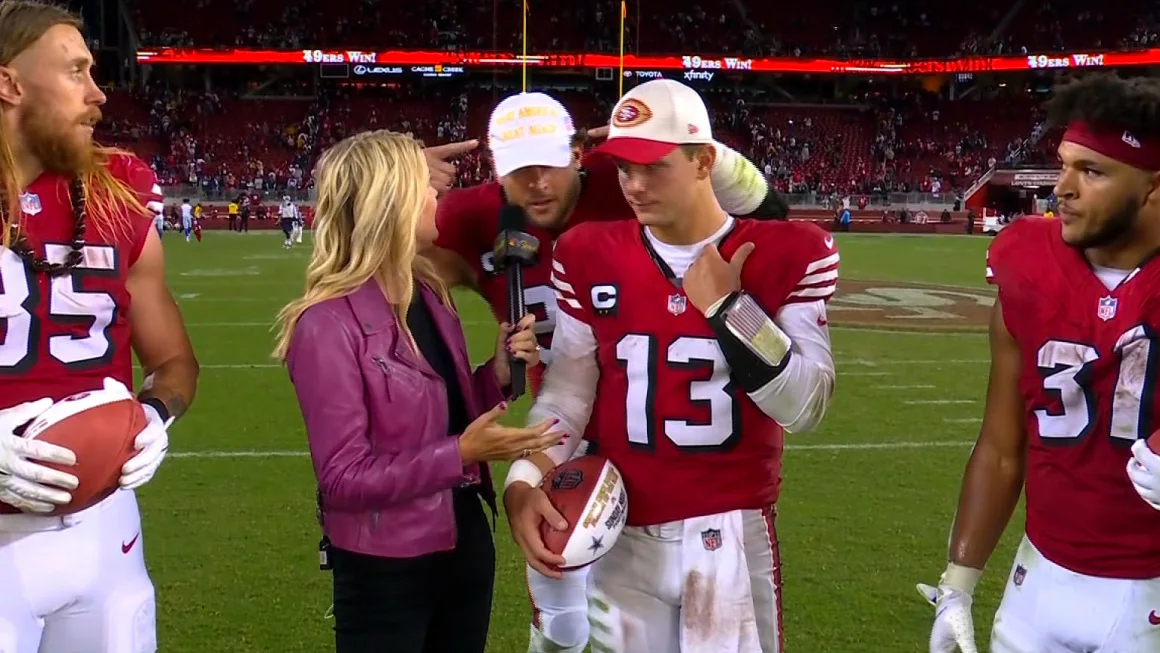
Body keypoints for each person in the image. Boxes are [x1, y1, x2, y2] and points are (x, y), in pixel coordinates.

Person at [430, 90, 789, 653]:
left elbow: (769, 210)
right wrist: (393, 178)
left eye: (549, 163)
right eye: (520, 172)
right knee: (563, 615)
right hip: (563, 431)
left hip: (659, 437)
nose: (537, 184)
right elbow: (374, 257)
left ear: (578, 152)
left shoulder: (632, 185)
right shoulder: (473, 216)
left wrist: (694, 143)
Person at [503, 79, 839, 653]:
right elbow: (569, 396)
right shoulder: (588, 252)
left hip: (729, 534)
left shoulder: (788, 251)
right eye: (623, 169)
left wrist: (732, 310)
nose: (633, 185)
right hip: (621, 532)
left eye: (652, 167)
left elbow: (806, 406)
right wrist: (523, 482)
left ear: (704, 160)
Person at [272, 130, 559, 653]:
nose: (436, 198)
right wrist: (462, 454)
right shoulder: (325, 325)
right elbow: (342, 478)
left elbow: (440, 412)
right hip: (388, 567)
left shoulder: (426, 290)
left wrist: (490, 377)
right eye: (423, 188)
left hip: (466, 542)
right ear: (393, 201)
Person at [919, 73, 1160, 653]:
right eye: (1064, 164)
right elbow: (1001, 446)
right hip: (1039, 580)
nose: (1063, 188)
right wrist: (959, 582)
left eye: (1092, 171)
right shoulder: (1027, 262)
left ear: (1153, 186)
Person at [0, 1, 201, 651]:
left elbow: (174, 362)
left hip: (106, 533)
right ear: (10, 84)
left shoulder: (117, 191)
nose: (99, 94)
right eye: (76, 72)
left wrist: (154, 416)